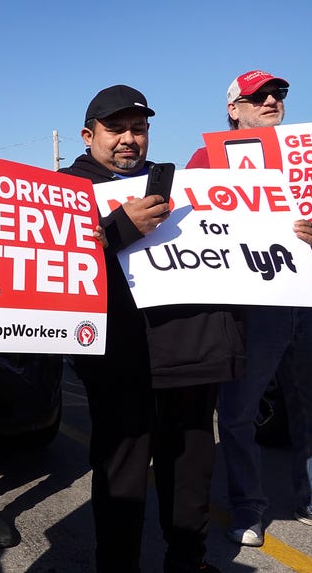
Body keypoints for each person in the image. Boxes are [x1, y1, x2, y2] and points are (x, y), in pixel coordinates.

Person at [61, 84, 244, 573]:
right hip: (121, 360)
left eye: (138, 129)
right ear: (87, 135)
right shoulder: (61, 188)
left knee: (190, 472)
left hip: (193, 352)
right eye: (115, 128)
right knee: (121, 476)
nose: (128, 139)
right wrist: (117, 229)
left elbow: (238, 241)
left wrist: (286, 235)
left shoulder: (182, 184)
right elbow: (52, 264)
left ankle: (188, 561)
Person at [189, 70, 312, 546]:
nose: (271, 101)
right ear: (234, 108)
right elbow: (195, 226)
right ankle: (248, 508)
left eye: (278, 94)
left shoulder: (308, 154)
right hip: (253, 303)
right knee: (239, 412)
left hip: (311, 299)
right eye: (259, 96)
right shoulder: (209, 158)